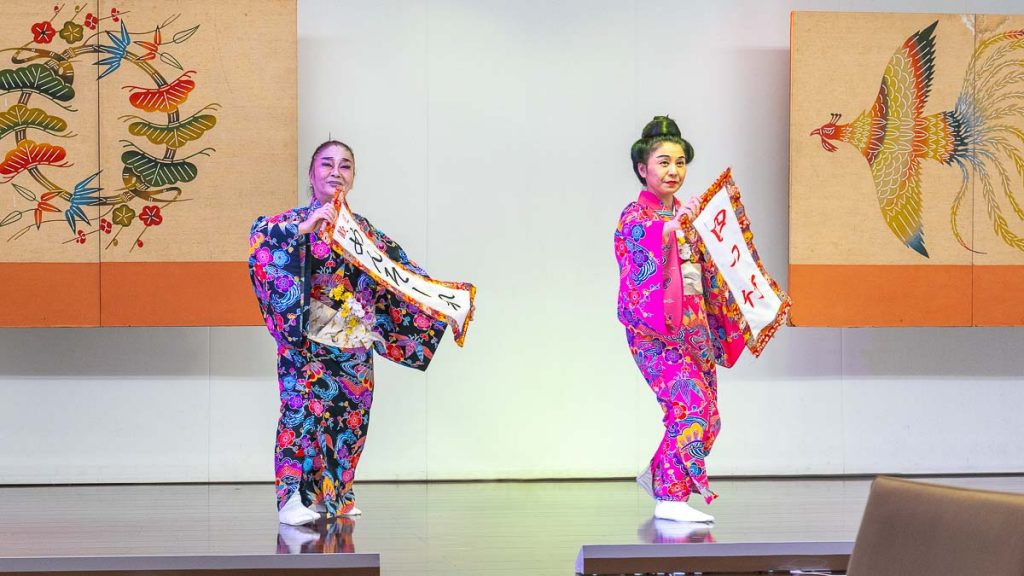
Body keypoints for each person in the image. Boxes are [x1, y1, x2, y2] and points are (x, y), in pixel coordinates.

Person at [249, 140, 447, 525]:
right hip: (306, 340)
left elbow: (402, 273)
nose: (335, 171)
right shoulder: (291, 222)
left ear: (353, 178)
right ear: (311, 174)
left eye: (345, 166)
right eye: (326, 164)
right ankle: (292, 498)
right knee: (301, 414)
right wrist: (303, 230)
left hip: (353, 339)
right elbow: (260, 242)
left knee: (350, 417)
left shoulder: (363, 233)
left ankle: (334, 494)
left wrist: (443, 302)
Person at [614, 117, 746, 523]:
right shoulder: (636, 217)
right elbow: (643, 242)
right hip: (655, 333)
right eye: (663, 162)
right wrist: (671, 229)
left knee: (709, 418)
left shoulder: (688, 215)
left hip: (694, 329)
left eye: (680, 163)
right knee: (689, 405)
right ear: (643, 169)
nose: (673, 171)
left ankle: (658, 473)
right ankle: (670, 497)